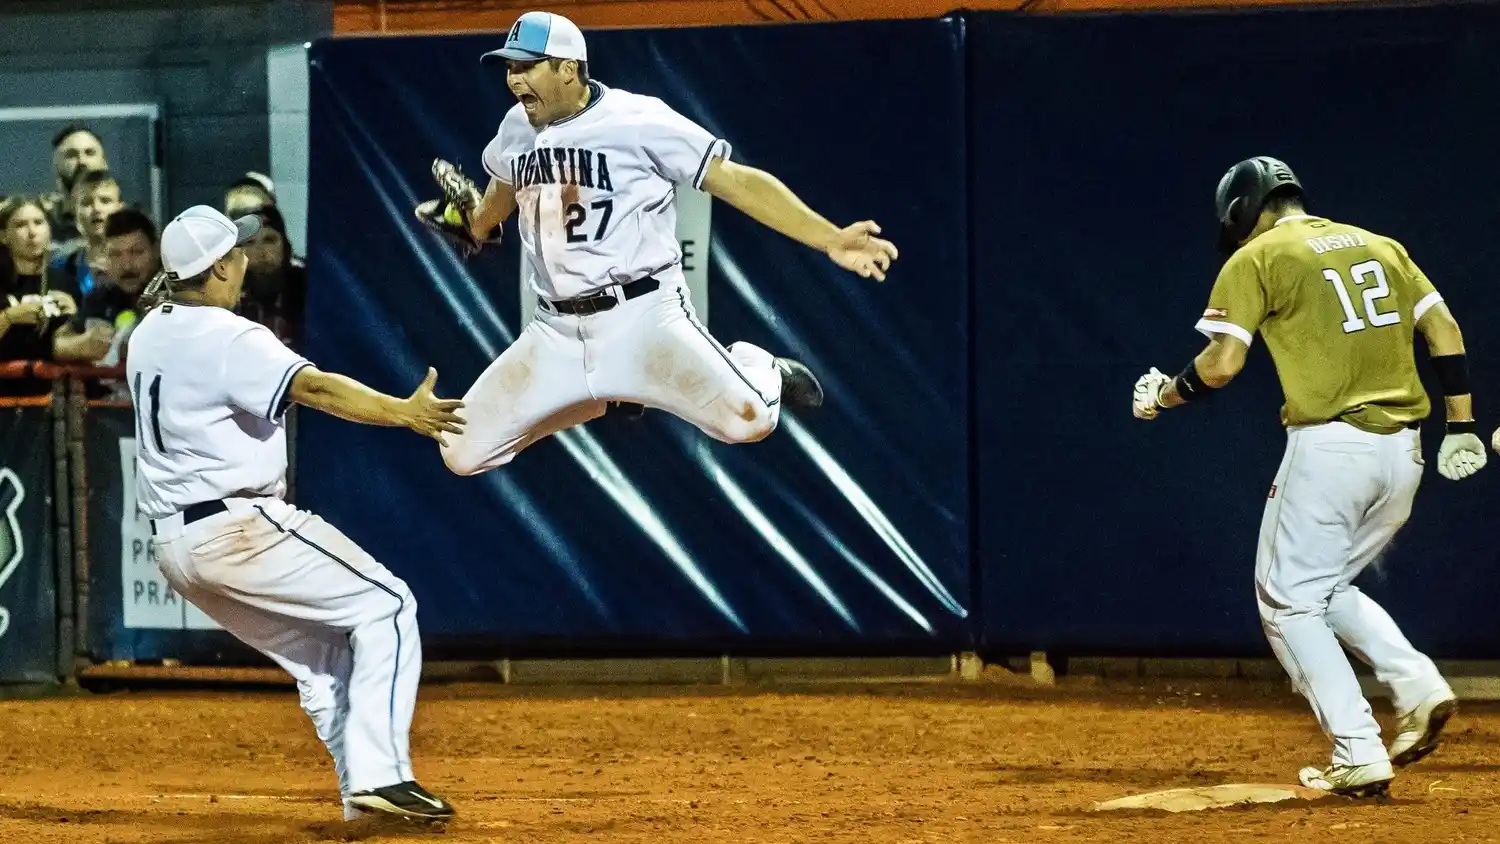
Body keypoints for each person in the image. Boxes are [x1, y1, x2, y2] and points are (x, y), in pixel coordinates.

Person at [1131, 157, 1484, 797]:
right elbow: (1443, 328)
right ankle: (1419, 685)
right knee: (1326, 586)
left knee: (1286, 601)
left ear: (1242, 210)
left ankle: (1357, 749)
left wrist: (1166, 394)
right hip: (1404, 453)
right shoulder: (1382, 245)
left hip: (1332, 447)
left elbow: (1222, 363)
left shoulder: (1258, 256)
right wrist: (1461, 421)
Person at [415, 11, 897, 476]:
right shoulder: (517, 127)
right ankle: (602, 392)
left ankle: (762, 366)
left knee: (748, 419)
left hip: (642, 317)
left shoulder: (637, 119)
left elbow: (736, 181)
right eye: (510, 68)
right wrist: (476, 224)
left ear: (568, 69)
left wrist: (829, 237)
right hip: (554, 331)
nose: (515, 80)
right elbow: (503, 189)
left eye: (527, 66)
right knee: (460, 451)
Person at [127, 205, 464, 823]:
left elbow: (175, 306)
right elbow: (315, 388)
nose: (246, 260)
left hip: (176, 548)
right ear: (222, 267)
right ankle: (383, 779)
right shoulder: (231, 336)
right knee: (387, 605)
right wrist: (405, 412)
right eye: (236, 254)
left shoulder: (147, 333)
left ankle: (364, 805)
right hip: (235, 527)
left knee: (325, 662)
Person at [0, 196, 85, 396]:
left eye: (38, 223)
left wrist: (75, 318)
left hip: (52, 399)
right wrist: (9, 317)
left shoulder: (65, 281)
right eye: (21, 225)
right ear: (3, 236)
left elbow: (78, 345)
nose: (32, 232)